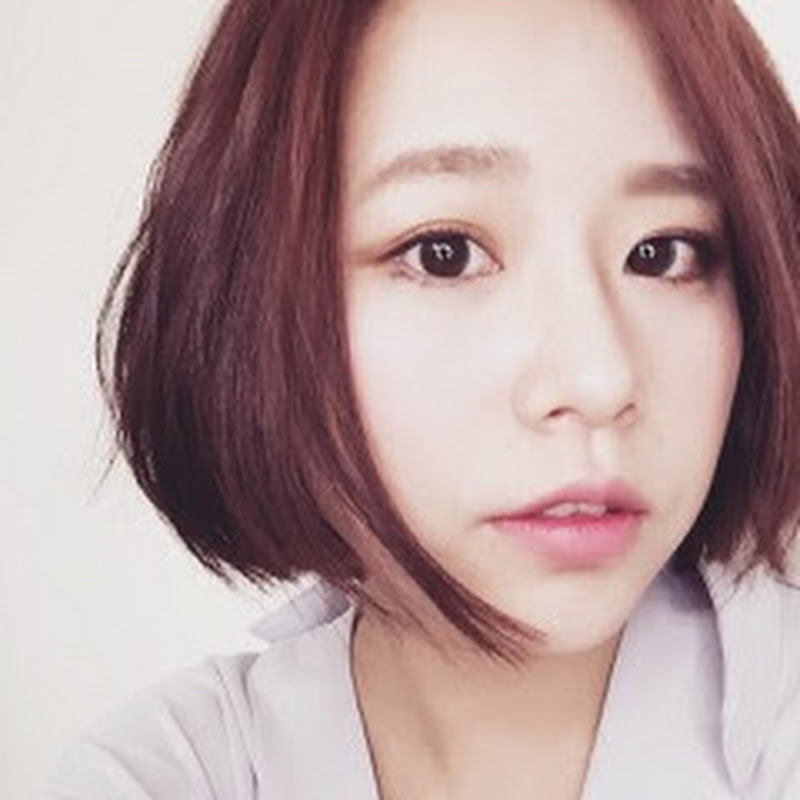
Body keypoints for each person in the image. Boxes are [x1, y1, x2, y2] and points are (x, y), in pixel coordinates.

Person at [45, 0, 800, 797]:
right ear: (249, 294)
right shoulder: (163, 773)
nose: (599, 379)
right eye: (445, 254)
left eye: (663, 252)